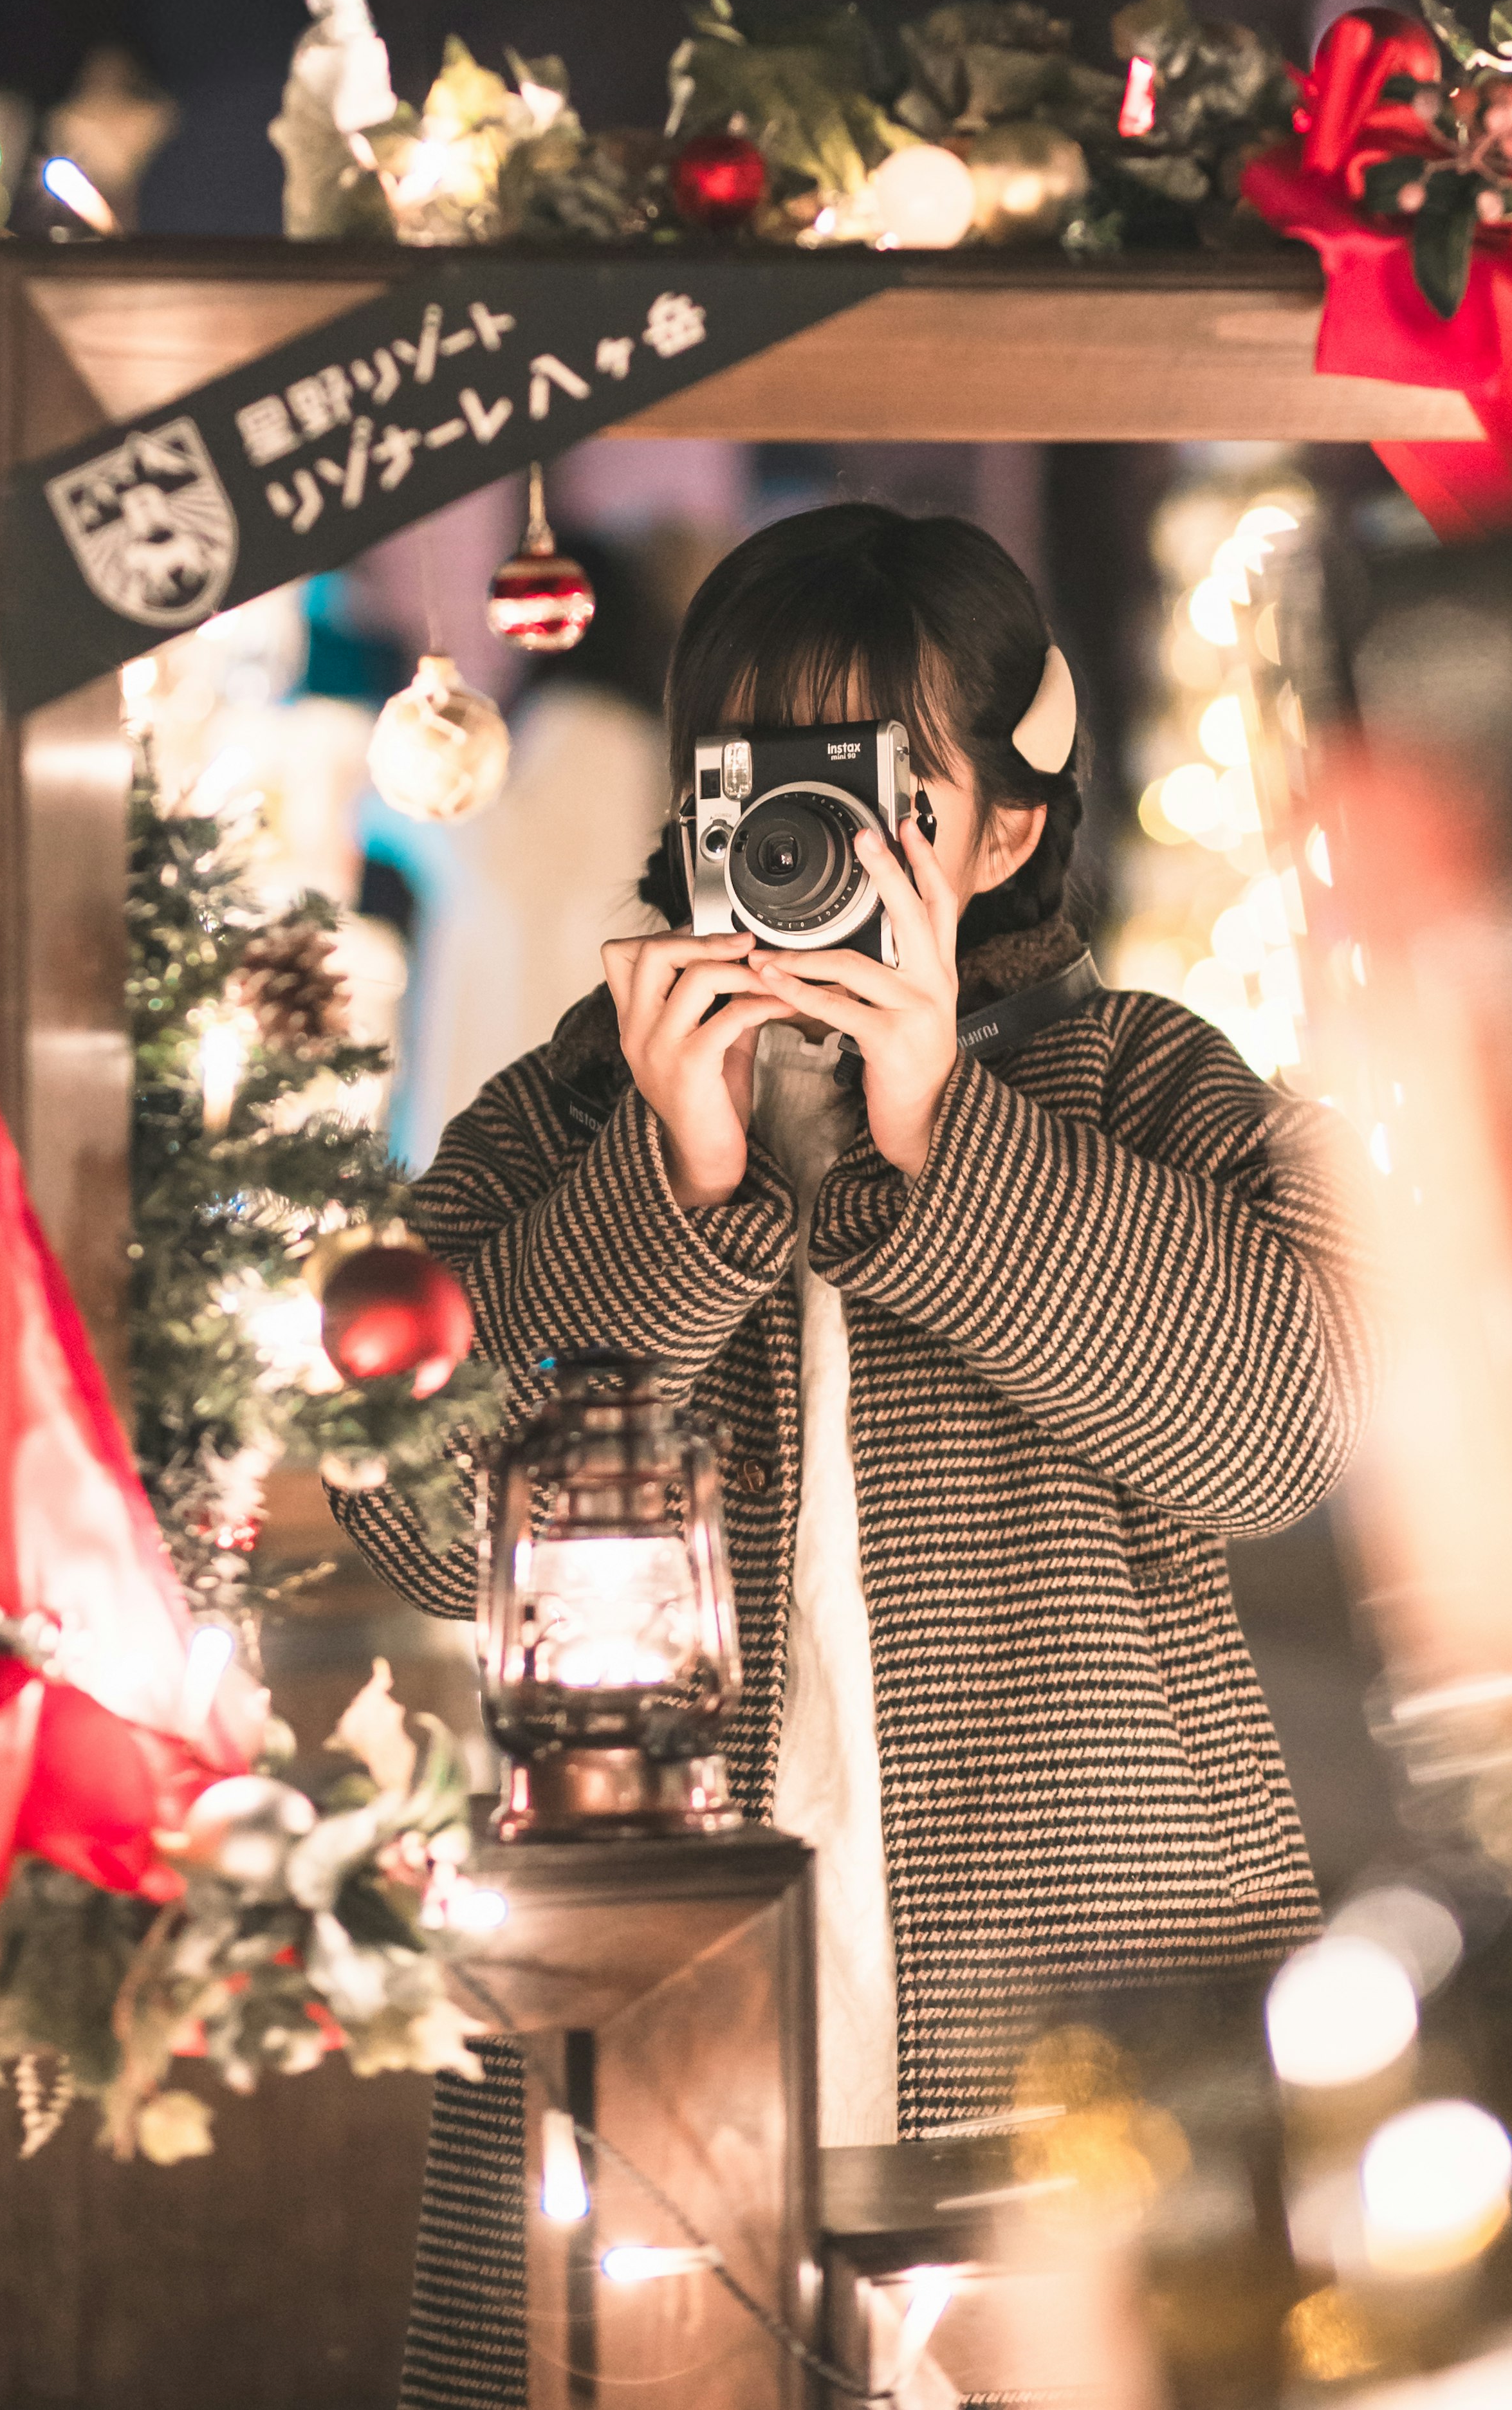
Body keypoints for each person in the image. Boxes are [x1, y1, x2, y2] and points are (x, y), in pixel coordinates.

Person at [340, 501, 1378, 2410]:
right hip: (653, 2096)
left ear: (1001, 825)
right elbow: (403, 1510)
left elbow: (1284, 1433)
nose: (815, 832)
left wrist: (944, 1129)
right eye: (765, 769)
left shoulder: (1142, 1083)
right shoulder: (570, 1114)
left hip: (1086, 2060)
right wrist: (677, 1185)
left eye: (889, 783)